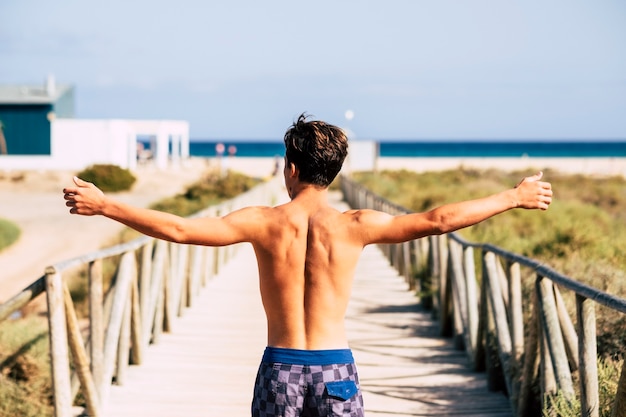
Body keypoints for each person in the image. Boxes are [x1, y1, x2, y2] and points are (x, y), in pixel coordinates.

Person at [63, 113, 553, 417]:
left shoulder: (262, 222)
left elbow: (180, 229)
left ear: (291, 169)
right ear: (334, 171)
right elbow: (440, 219)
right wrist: (514, 196)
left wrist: (107, 206)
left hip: (280, 370)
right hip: (336, 370)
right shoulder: (356, 225)